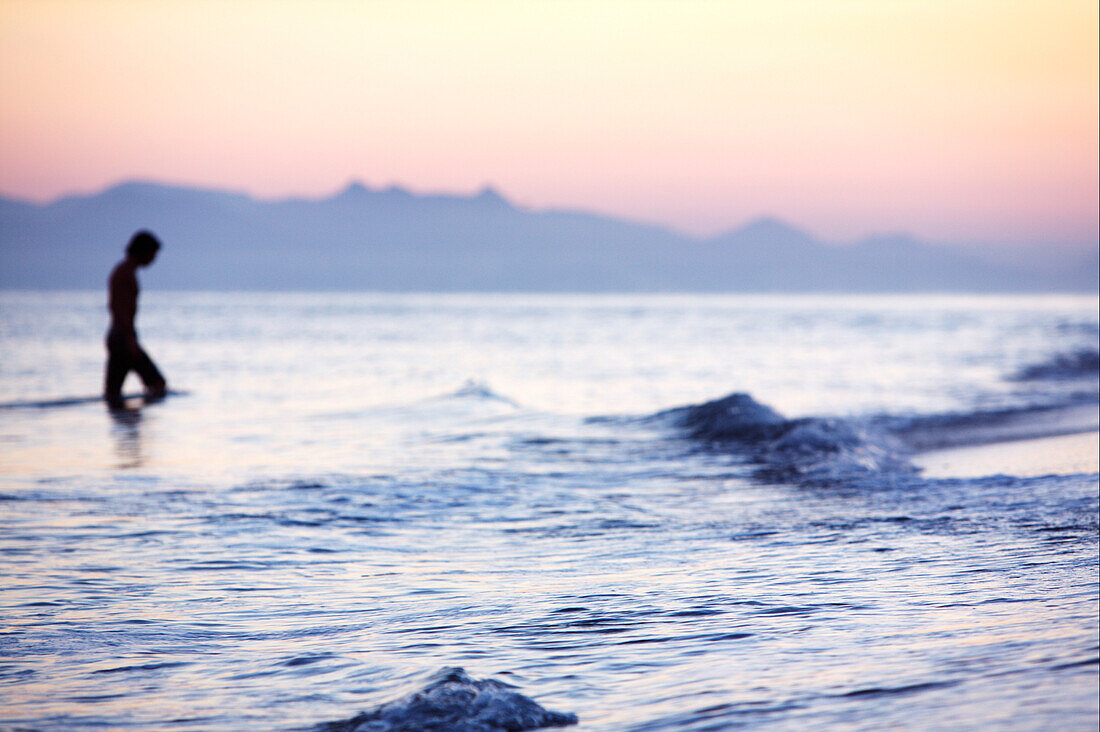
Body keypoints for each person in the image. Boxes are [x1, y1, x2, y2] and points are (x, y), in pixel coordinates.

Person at [104, 230, 167, 407]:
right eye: (153, 254)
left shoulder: (124, 271)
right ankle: (130, 423)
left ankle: (123, 427)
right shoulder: (125, 273)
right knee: (157, 384)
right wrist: (130, 339)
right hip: (122, 337)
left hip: (118, 336)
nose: (154, 259)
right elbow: (119, 309)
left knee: (113, 393)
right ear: (143, 251)